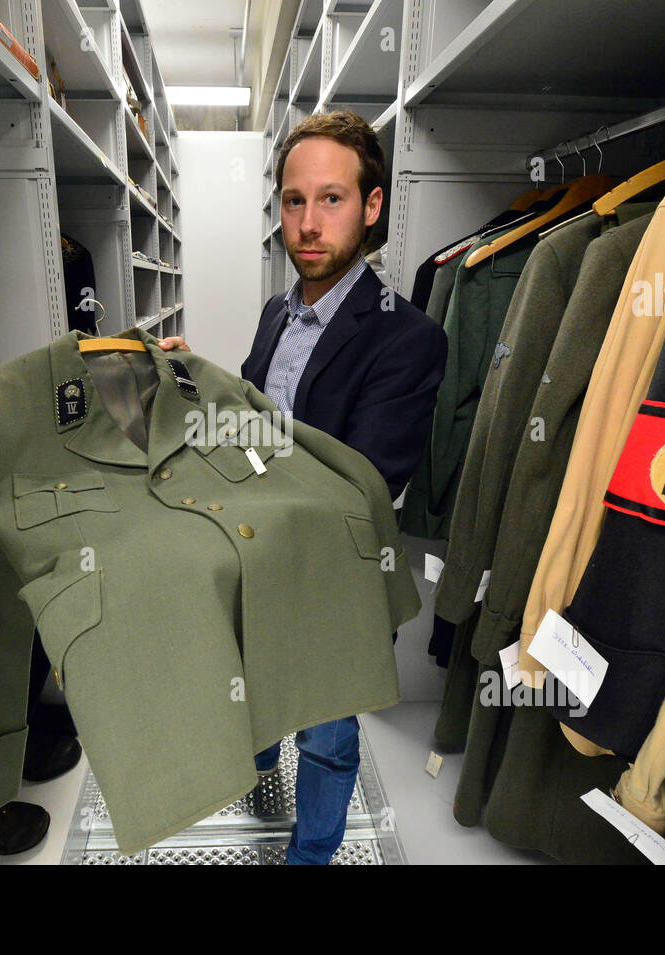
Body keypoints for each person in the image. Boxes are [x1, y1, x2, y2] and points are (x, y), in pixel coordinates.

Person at [159, 110, 447, 864]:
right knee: (253, 681)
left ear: (372, 206)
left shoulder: (408, 336)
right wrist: (198, 385)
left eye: (332, 199)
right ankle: (254, 766)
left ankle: (312, 852)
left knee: (325, 733)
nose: (309, 223)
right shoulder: (276, 313)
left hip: (333, 580)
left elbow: (362, 482)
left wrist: (236, 449)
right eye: (294, 201)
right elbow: (260, 410)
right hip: (260, 553)